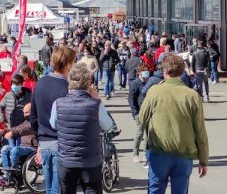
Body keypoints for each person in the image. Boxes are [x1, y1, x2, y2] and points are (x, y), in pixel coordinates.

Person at [139, 54, 209, 194]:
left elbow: (142, 118)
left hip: (159, 151)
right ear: (182, 72)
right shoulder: (192, 95)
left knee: (155, 189)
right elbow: (200, 130)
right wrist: (203, 160)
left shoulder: (155, 91)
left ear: (164, 71)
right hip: (184, 154)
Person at [50, 62, 114, 194]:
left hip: (66, 160)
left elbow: (54, 124)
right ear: (88, 82)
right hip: (90, 161)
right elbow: (108, 125)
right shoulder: (95, 104)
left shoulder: (58, 103)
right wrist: (97, 98)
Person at [31, 46, 76, 194]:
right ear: (68, 64)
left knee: (49, 187)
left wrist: (39, 139)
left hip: (44, 143)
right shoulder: (68, 87)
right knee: (58, 188)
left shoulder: (39, 84)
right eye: (73, 62)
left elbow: (33, 116)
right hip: (61, 142)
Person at [0, 103, 38, 186]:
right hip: (23, 147)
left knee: (15, 150)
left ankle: (13, 171)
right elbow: (18, 127)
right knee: (5, 149)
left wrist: (11, 132)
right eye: (24, 112)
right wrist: (4, 130)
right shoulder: (26, 121)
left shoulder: (34, 120)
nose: (24, 114)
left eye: (27, 112)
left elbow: (24, 129)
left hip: (32, 147)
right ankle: (6, 172)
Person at [0, 74, 32, 139]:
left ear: (22, 84)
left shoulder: (29, 96)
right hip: (10, 129)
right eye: (13, 84)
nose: (14, 86)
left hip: (22, 130)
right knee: (11, 148)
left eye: (17, 84)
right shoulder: (8, 95)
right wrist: (2, 120)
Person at [129, 62, 150, 163]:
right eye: (144, 71)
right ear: (139, 73)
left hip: (149, 111)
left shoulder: (149, 82)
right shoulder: (135, 83)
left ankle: (146, 153)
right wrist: (135, 112)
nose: (146, 73)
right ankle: (135, 153)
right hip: (139, 111)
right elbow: (131, 98)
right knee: (140, 132)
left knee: (148, 134)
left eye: (147, 71)